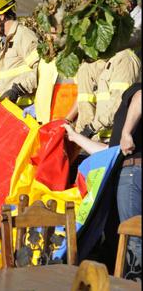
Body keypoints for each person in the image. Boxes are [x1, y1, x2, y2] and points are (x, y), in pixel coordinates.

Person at [63, 83, 141, 280]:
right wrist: (75, 137)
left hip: (132, 173)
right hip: (127, 171)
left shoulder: (135, 92)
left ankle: (133, 283)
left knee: (132, 235)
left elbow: (141, 95)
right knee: (125, 236)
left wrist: (126, 132)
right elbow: (109, 152)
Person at [66, 49, 141, 142]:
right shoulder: (88, 65)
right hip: (94, 140)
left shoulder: (125, 59)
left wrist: (91, 129)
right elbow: (85, 104)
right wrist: (80, 135)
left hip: (117, 139)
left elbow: (118, 103)